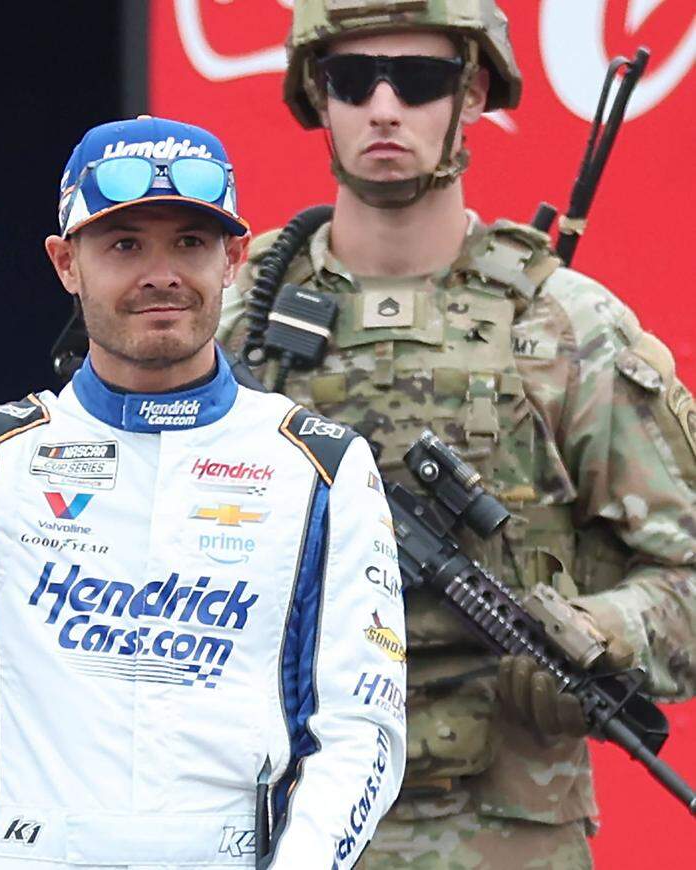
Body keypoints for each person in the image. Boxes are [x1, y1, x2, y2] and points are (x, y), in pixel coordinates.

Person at [0, 76, 407, 869]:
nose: (160, 271)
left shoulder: (321, 465)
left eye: (189, 243)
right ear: (66, 263)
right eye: (124, 244)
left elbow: (364, 730)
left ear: (235, 257)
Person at [217, 1, 696, 867]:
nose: (385, 106)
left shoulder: (565, 328)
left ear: (473, 94)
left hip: (505, 832)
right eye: (353, 80)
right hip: (281, 822)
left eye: (423, 79)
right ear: (317, 97)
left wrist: (598, 632)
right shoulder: (234, 321)